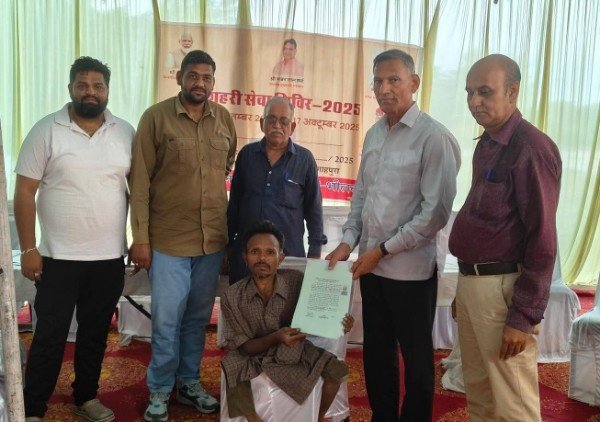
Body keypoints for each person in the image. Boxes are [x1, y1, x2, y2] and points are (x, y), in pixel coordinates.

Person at [326, 49, 461, 421]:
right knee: (377, 353)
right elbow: (362, 197)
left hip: (410, 273)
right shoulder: (374, 134)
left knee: (417, 362)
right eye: (378, 81)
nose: (384, 88)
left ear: (413, 83)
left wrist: (382, 250)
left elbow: (434, 214)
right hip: (371, 268)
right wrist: (347, 242)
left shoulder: (434, 137)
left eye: (393, 80)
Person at [14, 56, 134, 422]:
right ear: (70, 89)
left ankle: (86, 398)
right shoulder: (46, 130)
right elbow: (24, 192)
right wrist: (29, 248)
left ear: (108, 90)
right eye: (82, 85)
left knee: (95, 335)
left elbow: (140, 193)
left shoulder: (125, 132)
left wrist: (139, 239)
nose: (90, 92)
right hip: (58, 258)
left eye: (98, 86)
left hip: (108, 259)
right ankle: (33, 408)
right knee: (49, 335)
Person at [448, 54, 561, 421]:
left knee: (514, 407)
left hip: (504, 292)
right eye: (469, 92)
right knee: (480, 397)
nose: (474, 101)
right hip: (475, 284)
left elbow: (542, 239)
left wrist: (523, 316)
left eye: (485, 91)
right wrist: (466, 287)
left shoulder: (531, 148)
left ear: (512, 92)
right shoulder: (489, 142)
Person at [129, 50, 237, 422]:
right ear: (179, 78)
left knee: (196, 319)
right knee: (166, 320)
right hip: (168, 242)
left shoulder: (223, 118)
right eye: (193, 75)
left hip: (211, 243)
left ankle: (188, 383)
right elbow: (140, 183)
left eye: (206, 77)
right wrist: (140, 238)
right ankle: (160, 389)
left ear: (213, 81)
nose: (199, 83)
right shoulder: (155, 118)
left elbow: (226, 167)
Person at [221, 220, 353, 422]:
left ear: (280, 258)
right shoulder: (232, 295)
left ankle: (318, 416)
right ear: (244, 257)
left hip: (291, 348)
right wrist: (275, 337)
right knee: (232, 363)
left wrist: (339, 322)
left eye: (270, 252)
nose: (262, 258)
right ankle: (252, 418)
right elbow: (244, 347)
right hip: (253, 352)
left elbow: (316, 314)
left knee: (338, 371)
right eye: (255, 252)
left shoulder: (296, 280)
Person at [227, 96, 325, 284]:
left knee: (286, 302)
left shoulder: (305, 160)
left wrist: (315, 252)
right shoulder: (247, 155)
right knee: (242, 302)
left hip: (287, 258)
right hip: (246, 258)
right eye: (271, 119)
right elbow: (234, 205)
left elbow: (314, 210)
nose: (277, 125)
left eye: (284, 121)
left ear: (292, 127)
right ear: (262, 123)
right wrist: (228, 245)